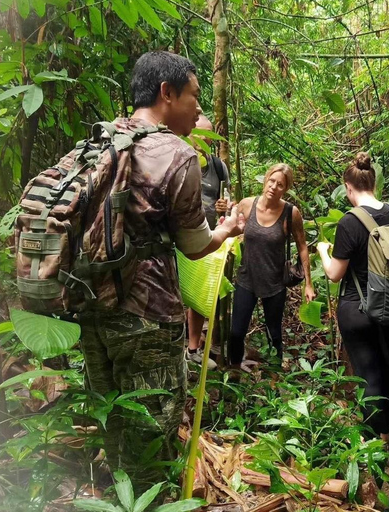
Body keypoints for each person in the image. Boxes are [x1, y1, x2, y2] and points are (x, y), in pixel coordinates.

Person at [77, 51, 244, 493]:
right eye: (193, 96)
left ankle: (116, 496)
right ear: (166, 94)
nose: (197, 107)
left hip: (92, 306)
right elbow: (193, 246)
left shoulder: (101, 139)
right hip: (147, 314)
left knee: (111, 416)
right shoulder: (177, 153)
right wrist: (225, 230)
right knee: (154, 427)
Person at [316, 152, 389, 441]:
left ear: (348, 188)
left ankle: (369, 439)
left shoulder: (349, 222)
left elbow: (335, 274)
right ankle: (387, 430)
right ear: (374, 184)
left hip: (358, 308)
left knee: (368, 373)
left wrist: (323, 252)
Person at [228, 163, 315, 368]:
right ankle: (233, 373)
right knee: (236, 332)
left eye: (280, 185)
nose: (274, 187)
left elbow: (302, 246)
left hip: (275, 283)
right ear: (266, 180)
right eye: (272, 181)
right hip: (247, 278)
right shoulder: (247, 205)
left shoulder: (290, 213)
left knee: (274, 333)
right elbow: (230, 228)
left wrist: (308, 283)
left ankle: (274, 380)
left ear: (286, 189)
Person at [187, 114, 231, 369]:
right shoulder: (180, 159)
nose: (204, 140)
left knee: (199, 293)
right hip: (180, 235)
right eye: (199, 134)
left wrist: (225, 206)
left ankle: (194, 349)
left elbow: (227, 198)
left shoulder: (218, 166)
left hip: (208, 236)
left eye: (208, 136)